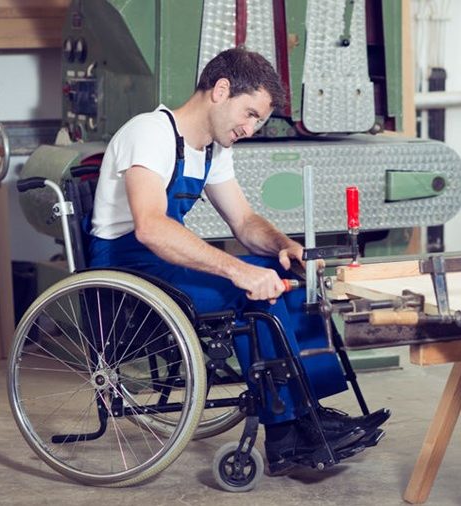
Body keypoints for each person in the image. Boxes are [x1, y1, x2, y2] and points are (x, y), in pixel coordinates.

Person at [87, 47, 389, 475]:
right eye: (248, 114)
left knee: (284, 276)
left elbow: (244, 221)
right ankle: (286, 433)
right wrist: (239, 270)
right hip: (128, 268)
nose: (250, 128)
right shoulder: (150, 133)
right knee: (250, 287)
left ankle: (308, 410)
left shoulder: (211, 148)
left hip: (167, 261)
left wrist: (287, 248)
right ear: (221, 90)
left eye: (258, 121)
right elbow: (151, 227)